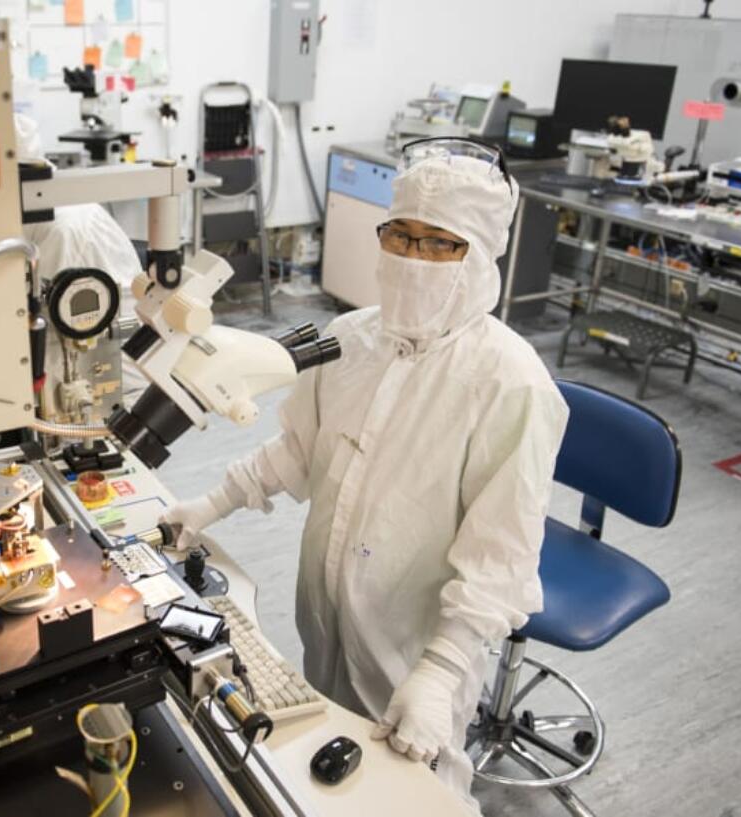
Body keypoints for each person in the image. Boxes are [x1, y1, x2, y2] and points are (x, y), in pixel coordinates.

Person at [161, 139, 569, 810]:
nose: (414, 259)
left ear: (482, 254)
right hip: (326, 620)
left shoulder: (509, 382)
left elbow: (501, 558)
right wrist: (208, 504)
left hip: (417, 650)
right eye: (400, 235)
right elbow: (296, 450)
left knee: (413, 792)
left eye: (441, 243)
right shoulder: (351, 338)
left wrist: (439, 674)